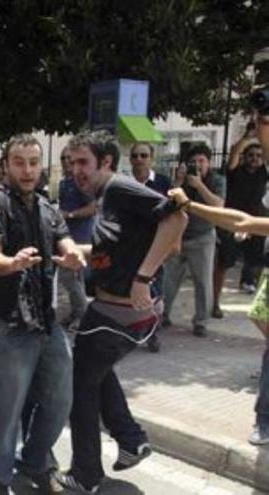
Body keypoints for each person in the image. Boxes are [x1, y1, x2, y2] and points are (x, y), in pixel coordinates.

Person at [55, 131, 187, 493]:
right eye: (71, 162)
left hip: (116, 315)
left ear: (107, 162)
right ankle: (131, 440)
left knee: (80, 388)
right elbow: (117, 244)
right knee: (93, 373)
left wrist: (143, 277)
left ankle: (85, 474)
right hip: (117, 314)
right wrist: (77, 253)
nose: (75, 170)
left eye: (83, 162)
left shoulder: (119, 189)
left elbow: (177, 220)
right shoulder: (106, 197)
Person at [0, 135, 82, 494]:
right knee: (7, 413)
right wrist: (11, 263)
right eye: (19, 162)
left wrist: (72, 255)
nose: (27, 169)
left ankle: (35, 460)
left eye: (33, 162)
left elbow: (64, 240)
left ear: (42, 166)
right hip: (7, 326)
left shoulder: (47, 206)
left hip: (46, 322)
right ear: (6, 166)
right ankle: (0, 480)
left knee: (60, 399)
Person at [165, 99, 269, 445]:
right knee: (261, 319)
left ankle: (264, 419)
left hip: (209, 236)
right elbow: (244, 220)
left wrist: (191, 202)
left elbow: (239, 218)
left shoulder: (220, 181)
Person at [162, 143, 225, 337]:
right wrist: (179, 182)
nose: (197, 165)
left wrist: (199, 185)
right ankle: (162, 314)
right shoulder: (182, 180)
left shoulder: (217, 180)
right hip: (178, 235)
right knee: (168, 279)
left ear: (209, 162)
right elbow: (168, 203)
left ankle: (201, 321)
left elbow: (219, 205)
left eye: (201, 161)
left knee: (203, 281)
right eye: (193, 162)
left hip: (203, 236)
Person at [214, 134, 266, 317]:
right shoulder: (236, 170)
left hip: (256, 222)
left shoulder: (263, 173)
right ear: (245, 157)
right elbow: (235, 153)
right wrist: (246, 136)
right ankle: (215, 303)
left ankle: (261, 307)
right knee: (223, 263)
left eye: (259, 155)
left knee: (260, 264)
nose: (255, 158)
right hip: (232, 221)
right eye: (251, 155)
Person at [129, 142, 172, 352]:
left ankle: (153, 333)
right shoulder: (124, 183)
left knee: (155, 294)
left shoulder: (163, 183)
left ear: (151, 159)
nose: (139, 160)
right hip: (132, 245)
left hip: (157, 244)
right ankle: (134, 331)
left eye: (143, 155)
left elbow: (175, 215)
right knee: (132, 289)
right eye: (135, 156)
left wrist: (174, 243)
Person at [57, 146, 96, 330]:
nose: (66, 162)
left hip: (81, 237)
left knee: (70, 277)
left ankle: (83, 314)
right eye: (64, 158)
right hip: (67, 236)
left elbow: (93, 207)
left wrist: (70, 215)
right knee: (73, 277)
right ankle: (77, 312)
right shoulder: (64, 183)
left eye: (70, 159)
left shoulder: (81, 183)